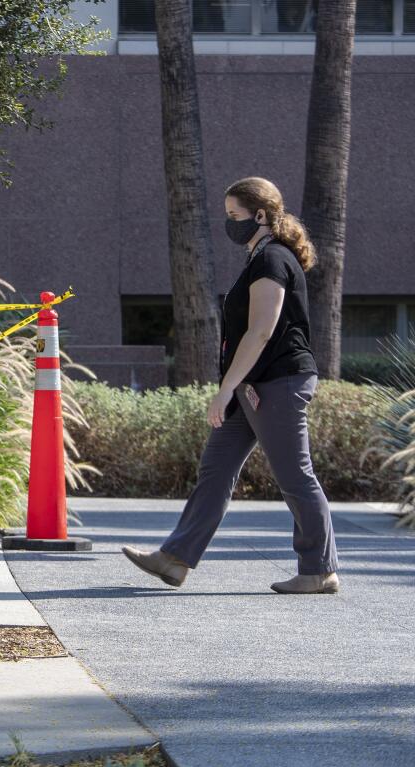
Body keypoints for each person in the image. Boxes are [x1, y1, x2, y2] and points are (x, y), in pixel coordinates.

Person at [123, 176, 340, 594]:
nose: (229, 223)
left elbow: (260, 332)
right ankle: (175, 559)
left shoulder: (273, 259)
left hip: (279, 382)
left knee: (295, 474)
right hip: (253, 385)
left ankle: (320, 568)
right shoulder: (258, 259)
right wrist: (235, 386)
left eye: (234, 215)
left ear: (260, 215)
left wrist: (226, 389)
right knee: (216, 469)